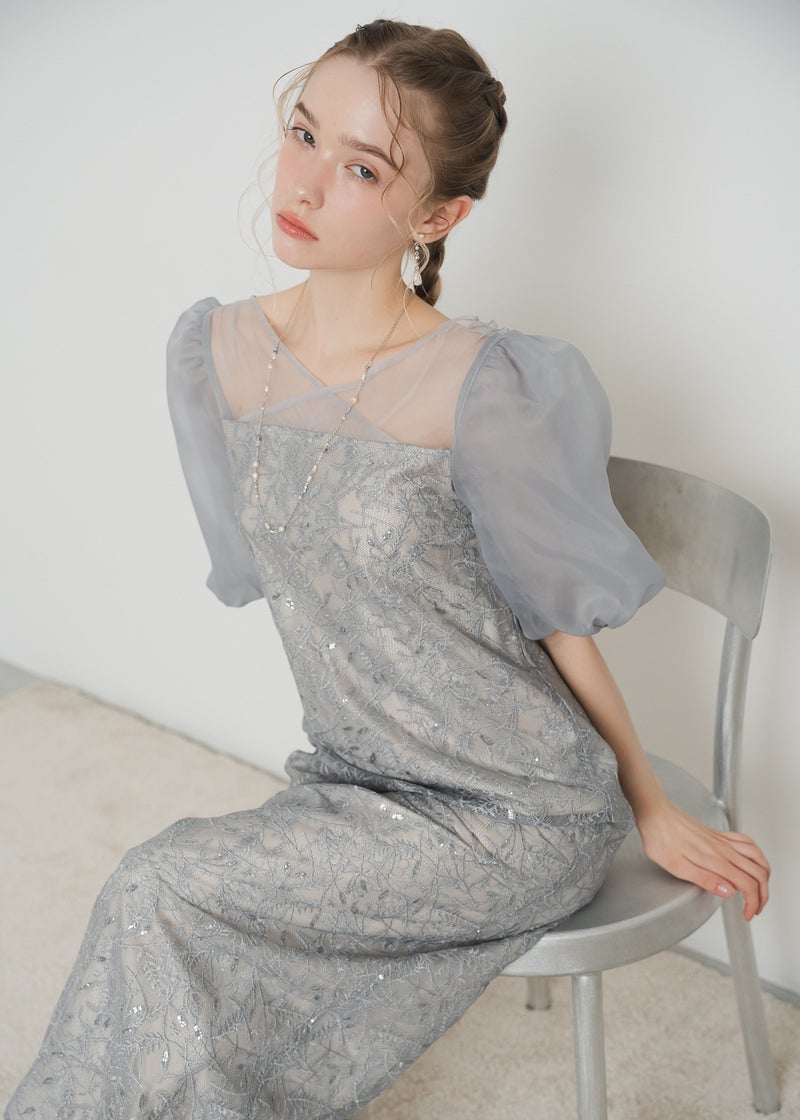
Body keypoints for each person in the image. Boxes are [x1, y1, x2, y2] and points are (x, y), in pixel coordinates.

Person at [6, 18, 770, 1120]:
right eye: (303, 132)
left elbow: (557, 622)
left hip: (516, 807)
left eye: (362, 167)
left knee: (159, 884)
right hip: (355, 778)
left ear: (437, 216)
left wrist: (644, 799)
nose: (307, 182)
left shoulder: (487, 385)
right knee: (172, 922)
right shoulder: (214, 353)